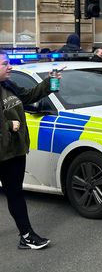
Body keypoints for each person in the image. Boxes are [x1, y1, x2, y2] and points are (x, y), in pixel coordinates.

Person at [0, 50, 56, 249]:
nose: (10, 67)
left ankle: (26, 236)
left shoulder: (8, 85)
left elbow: (29, 96)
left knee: (15, 194)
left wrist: (49, 82)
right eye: (5, 64)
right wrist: (7, 126)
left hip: (13, 151)